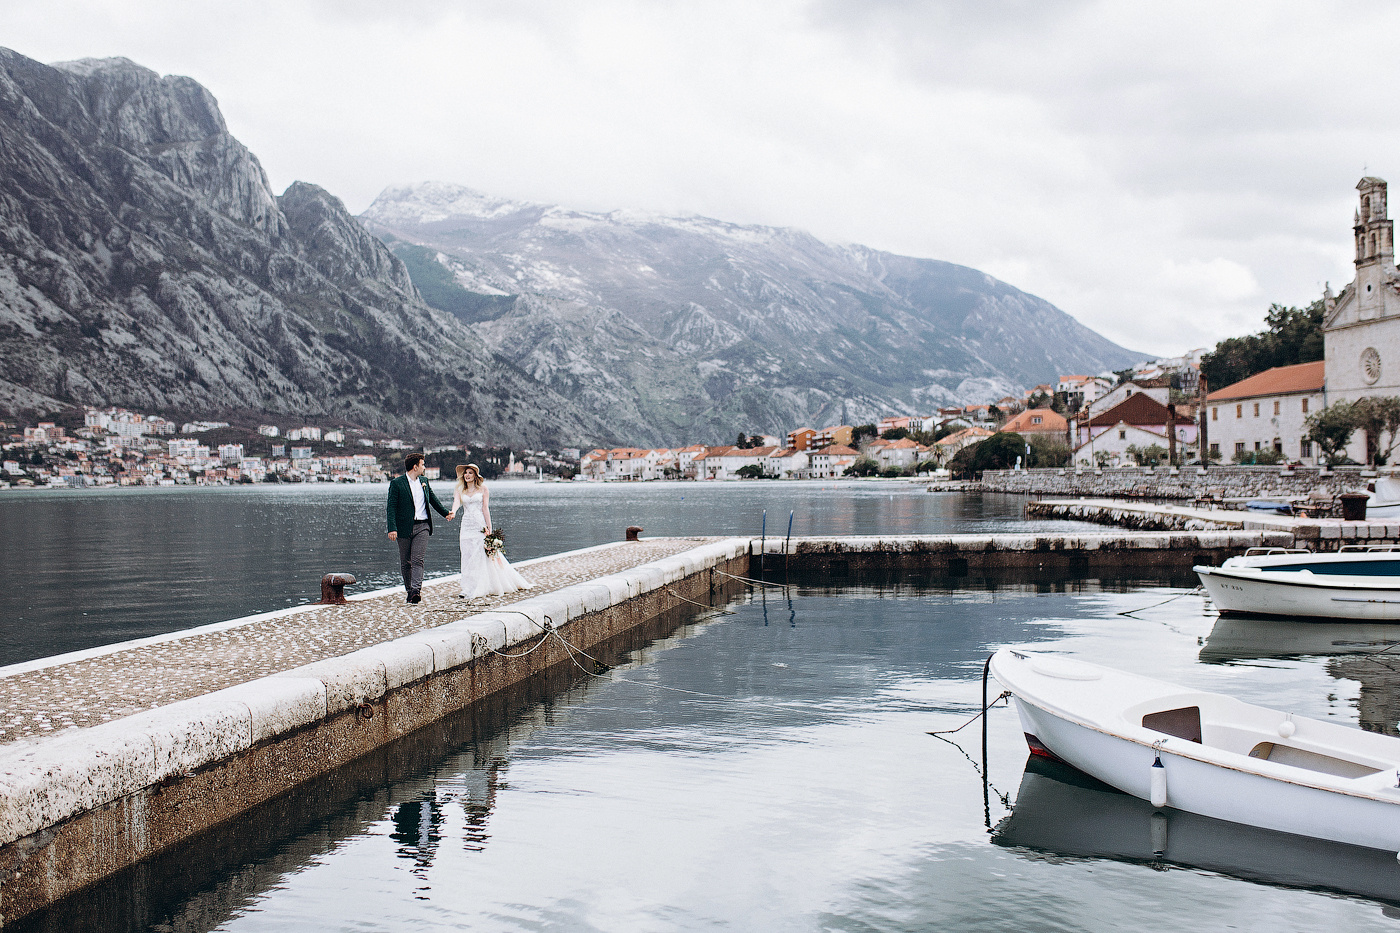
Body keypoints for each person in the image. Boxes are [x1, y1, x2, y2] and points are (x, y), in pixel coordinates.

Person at [449, 463, 532, 598]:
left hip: (479, 525)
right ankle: (467, 587)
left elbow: (485, 509)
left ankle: (482, 585)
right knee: (467, 556)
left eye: (470, 473)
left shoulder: (483, 489)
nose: (467, 475)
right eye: (465, 473)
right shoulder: (459, 490)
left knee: (480, 555)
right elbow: (456, 503)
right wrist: (452, 512)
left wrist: (489, 528)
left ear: (475, 475)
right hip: (466, 526)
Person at [386, 452, 452, 604]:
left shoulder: (424, 481)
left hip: (423, 526)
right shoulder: (397, 483)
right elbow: (391, 507)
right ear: (415, 467)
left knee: (418, 560)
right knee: (406, 562)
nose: (424, 467)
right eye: (422, 464)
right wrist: (392, 528)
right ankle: (409, 591)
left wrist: (446, 513)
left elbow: (433, 500)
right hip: (403, 528)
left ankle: (416, 590)